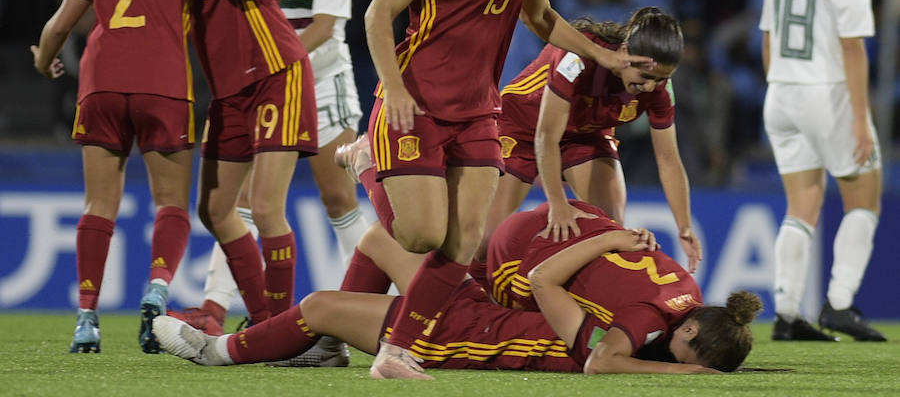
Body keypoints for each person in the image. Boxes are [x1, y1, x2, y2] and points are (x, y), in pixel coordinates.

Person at [362, 0, 651, 379]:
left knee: (466, 241)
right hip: (415, 104)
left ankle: (396, 353)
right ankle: (369, 169)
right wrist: (393, 87)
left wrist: (608, 57)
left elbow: (541, 18)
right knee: (421, 234)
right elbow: (377, 14)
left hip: (478, 110)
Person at [32, 0, 285, 354]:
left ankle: (87, 318)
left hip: (100, 83)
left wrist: (44, 61)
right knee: (170, 202)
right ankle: (158, 288)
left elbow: (59, 26)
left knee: (98, 204)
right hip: (164, 84)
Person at [90, 0, 318, 332]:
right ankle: (260, 320)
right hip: (229, 88)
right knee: (214, 209)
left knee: (263, 206)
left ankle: (286, 330)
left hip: (275, 69)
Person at [151, 196, 761, 375]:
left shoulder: (616, 340)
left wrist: (684, 375)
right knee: (380, 236)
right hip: (485, 309)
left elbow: (600, 364)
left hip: (466, 335)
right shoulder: (636, 325)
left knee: (318, 304)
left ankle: (220, 352)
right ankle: (328, 347)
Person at [166, 0, 368, 362]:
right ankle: (222, 305)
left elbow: (326, 25)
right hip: (263, 81)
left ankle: (367, 304)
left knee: (338, 201)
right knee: (235, 205)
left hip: (320, 82)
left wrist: (276, 62)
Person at [475, 7, 701, 280]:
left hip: (586, 133)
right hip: (522, 126)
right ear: (626, 53)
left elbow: (668, 159)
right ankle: (473, 306)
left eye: (660, 79)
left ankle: (564, 301)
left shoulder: (659, 89)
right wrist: (557, 204)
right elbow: (546, 137)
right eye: (645, 77)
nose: (651, 87)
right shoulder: (578, 60)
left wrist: (684, 226)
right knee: (484, 244)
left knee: (610, 230)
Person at [760, 0, 885, 342]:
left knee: (803, 203)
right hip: (826, 91)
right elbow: (853, 48)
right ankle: (839, 303)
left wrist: (779, 89)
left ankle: (789, 315)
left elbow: (768, 38)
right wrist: (858, 118)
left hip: (782, 92)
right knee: (865, 197)